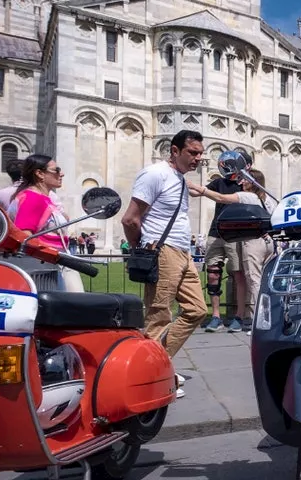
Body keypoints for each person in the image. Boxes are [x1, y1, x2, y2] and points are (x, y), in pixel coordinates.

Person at [121, 129, 207, 399]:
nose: (198, 159)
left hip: (183, 251)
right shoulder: (155, 173)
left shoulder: (179, 180)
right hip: (162, 249)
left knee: (196, 310)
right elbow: (130, 218)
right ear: (174, 150)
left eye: (200, 153)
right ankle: (144, 377)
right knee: (159, 315)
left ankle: (157, 363)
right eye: (193, 152)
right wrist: (141, 248)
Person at [191, 164, 276, 334]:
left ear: (253, 182)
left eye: (246, 179)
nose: (242, 181)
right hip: (264, 242)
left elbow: (222, 198)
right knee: (259, 279)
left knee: (253, 280)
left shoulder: (248, 196)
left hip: (251, 241)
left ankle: (258, 321)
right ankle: (254, 318)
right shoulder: (266, 198)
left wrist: (197, 188)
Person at [10, 154, 85, 292]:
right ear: (40, 174)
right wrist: (53, 255)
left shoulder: (40, 198)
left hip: (55, 262)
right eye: (56, 170)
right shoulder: (33, 198)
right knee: (74, 307)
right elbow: (25, 237)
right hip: (46, 266)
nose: (61, 174)